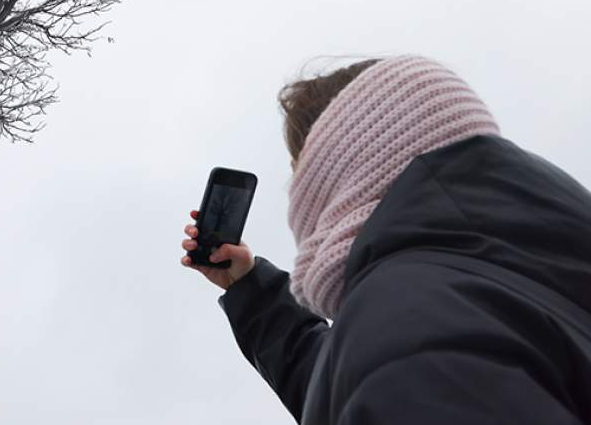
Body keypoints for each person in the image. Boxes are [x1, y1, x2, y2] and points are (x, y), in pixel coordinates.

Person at [180, 55, 591, 424]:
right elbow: (357, 385)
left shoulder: (409, 318)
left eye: (301, 169)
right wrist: (252, 290)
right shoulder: (524, 273)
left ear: (344, 168)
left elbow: (394, 371)